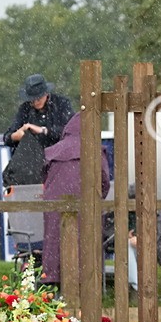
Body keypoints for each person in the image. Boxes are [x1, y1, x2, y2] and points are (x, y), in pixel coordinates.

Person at [40, 114, 110, 288]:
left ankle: (55, 286)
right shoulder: (94, 150)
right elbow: (104, 182)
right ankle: (87, 289)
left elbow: (45, 179)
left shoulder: (53, 152)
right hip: (86, 206)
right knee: (86, 247)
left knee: (55, 244)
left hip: (55, 206)